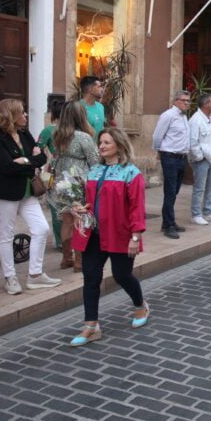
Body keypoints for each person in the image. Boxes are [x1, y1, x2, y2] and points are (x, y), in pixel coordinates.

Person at [69, 128, 148, 346]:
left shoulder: (131, 173)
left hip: (120, 234)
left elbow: (136, 208)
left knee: (122, 275)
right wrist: (78, 208)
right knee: (90, 277)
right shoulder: (93, 171)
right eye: (100, 142)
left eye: (107, 142)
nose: (102, 146)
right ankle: (91, 326)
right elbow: (86, 200)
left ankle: (140, 305)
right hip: (92, 235)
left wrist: (135, 236)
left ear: (119, 145)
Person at [0, 99, 60, 294]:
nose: (26, 115)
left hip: (27, 192)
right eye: (21, 112)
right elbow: (5, 166)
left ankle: (35, 275)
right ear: (10, 116)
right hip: (5, 193)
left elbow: (42, 157)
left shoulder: (24, 134)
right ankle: (10, 278)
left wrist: (24, 160)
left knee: (42, 228)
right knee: (6, 234)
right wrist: (30, 160)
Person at [48, 101, 99, 272]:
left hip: (62, 181)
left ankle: (66, 259)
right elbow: (94, 161)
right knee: (80, 219)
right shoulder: (84, 137)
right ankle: (79, 261)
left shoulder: (58, 134)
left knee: (67, 220)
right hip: (77, 181)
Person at [152, 90, 191, 239]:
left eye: (188, 101)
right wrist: (158, 151)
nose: (187, 103)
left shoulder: (184, 117)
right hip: (170, 157)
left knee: (174, 191)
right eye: (184, 100)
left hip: (181, 157)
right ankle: (168, 225)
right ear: (176, 101)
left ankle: (168, 221)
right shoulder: (168, 115)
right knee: (170, 192)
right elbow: (157, 135)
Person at [188, 93, 211, 225]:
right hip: (202, 159)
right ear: (205, 105)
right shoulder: (196, 119)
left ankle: (209, 211)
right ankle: (196, 214)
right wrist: (199, 156)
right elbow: (193, 141)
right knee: (199, 187)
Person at [37, 100, 63, 250]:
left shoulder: (48, 131)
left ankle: (60, 241)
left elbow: (37, 148)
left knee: (55, 206)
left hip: (54, 170)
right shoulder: (76, 130)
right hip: (73, 170)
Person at [79, 76, 106, 140]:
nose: (102, 90)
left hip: (100, 148)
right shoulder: (78, 107)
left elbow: (102, 127)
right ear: (90, 89)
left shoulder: (100, 107)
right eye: (99, 87)